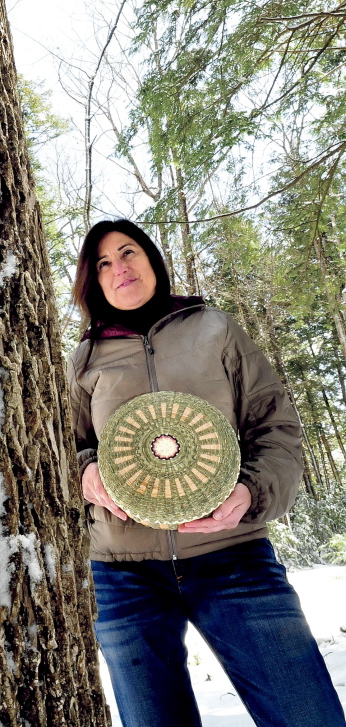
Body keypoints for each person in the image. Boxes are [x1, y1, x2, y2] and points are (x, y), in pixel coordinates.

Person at [68, 218, 345, 727]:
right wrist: (87, 472)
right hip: (124, 572)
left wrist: (252, 491)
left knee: (308, 715)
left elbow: (276, 427)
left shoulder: (215, 328)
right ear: (93, 281)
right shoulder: (85, 358)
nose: (119, 268)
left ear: (152, 259)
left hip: (233, 556)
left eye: (128, 252)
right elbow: (73, 446)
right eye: (103, 263)